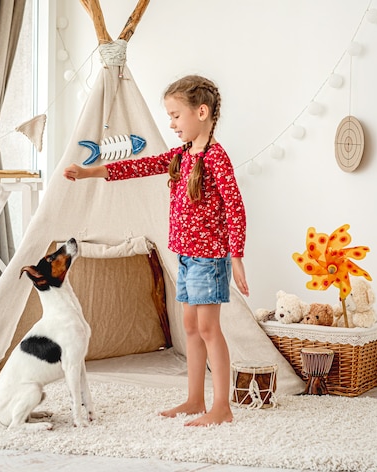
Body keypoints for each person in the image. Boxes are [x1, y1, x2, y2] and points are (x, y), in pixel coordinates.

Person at [63, 74, 249, 427]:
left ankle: (222, 406)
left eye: (177, 115)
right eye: (170, 116)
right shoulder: (181, 155)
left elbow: (235, 208)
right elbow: (140, 165)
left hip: (209, 259)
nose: (172, 123)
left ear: (202, 112)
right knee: (191, 327)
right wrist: (91, 173)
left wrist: (235, 256)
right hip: (188, 256)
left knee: (209, 329)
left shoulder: (215, 158)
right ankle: (195, 398)